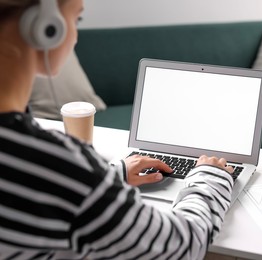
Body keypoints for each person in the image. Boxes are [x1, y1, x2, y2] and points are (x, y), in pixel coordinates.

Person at [0, 0, 234, 259]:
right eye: (76, 20)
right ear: (44, 27)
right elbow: (182, 245)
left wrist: (110, 177)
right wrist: (211, 177)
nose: (75, 35)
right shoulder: (56, 166)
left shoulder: (45, 169)